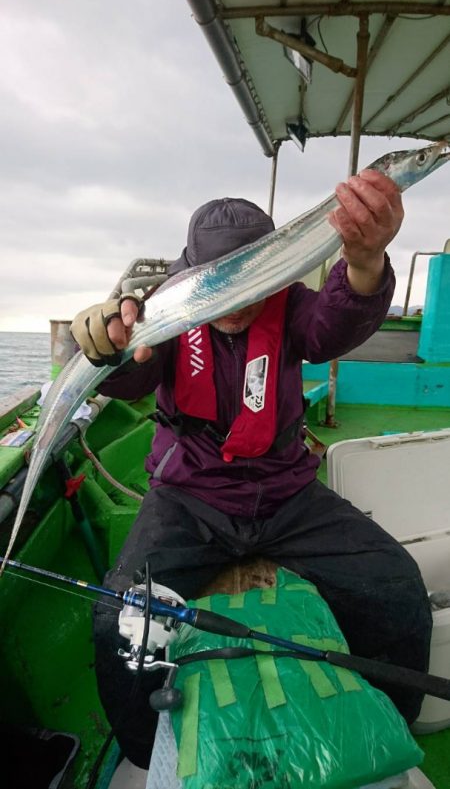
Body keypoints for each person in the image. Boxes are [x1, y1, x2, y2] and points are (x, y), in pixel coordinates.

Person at [71, 170, 432, 769]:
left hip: (288, 493)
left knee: (395, 585)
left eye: (250, 283)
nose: (236, 304)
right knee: (120, 621)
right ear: (191, 278)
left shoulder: (292, 309)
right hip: (190, 496)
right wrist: (103, 344)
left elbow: (336, 323)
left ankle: (394, 723)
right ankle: (144, 754)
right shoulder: (166, 315)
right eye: (220, 286)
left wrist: (365, 261)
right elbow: (129, 374)